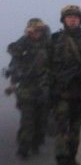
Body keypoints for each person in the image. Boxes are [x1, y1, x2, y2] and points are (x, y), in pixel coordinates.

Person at [48, 5, 81, 165]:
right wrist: (50, 89)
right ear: (64, 20)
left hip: (80, 94)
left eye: (76, 17)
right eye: (69, 17)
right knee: (61, 128)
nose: (73, 20)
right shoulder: (55, 40)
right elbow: (47, 66)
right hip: (61, 94)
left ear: (80, 20)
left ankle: (71, 157)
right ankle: (62, 159)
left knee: (75, 130)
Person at [5, 18, 50, 159]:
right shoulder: (23, 45)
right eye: (33, 30)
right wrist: (12, 85)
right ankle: (23, 148)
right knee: (27, 120)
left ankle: (36, 143)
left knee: (41, 120)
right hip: (27, 90)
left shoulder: (49, 44)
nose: (36, 33)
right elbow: (12, 52)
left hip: (44, 88)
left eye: (39, 30)